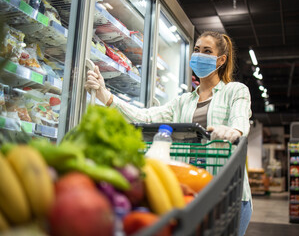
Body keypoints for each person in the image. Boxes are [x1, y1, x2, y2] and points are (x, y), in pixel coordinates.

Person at [85, 31, 252, 236]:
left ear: (221, 60)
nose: (199, 55)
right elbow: (146, 117)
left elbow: (240, 118)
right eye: (197, 50)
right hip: (193, 192)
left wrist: (234, 131)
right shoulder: (183, 101)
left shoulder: (235, 91)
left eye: (207, 51)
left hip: (228, 193)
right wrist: (105, 95)